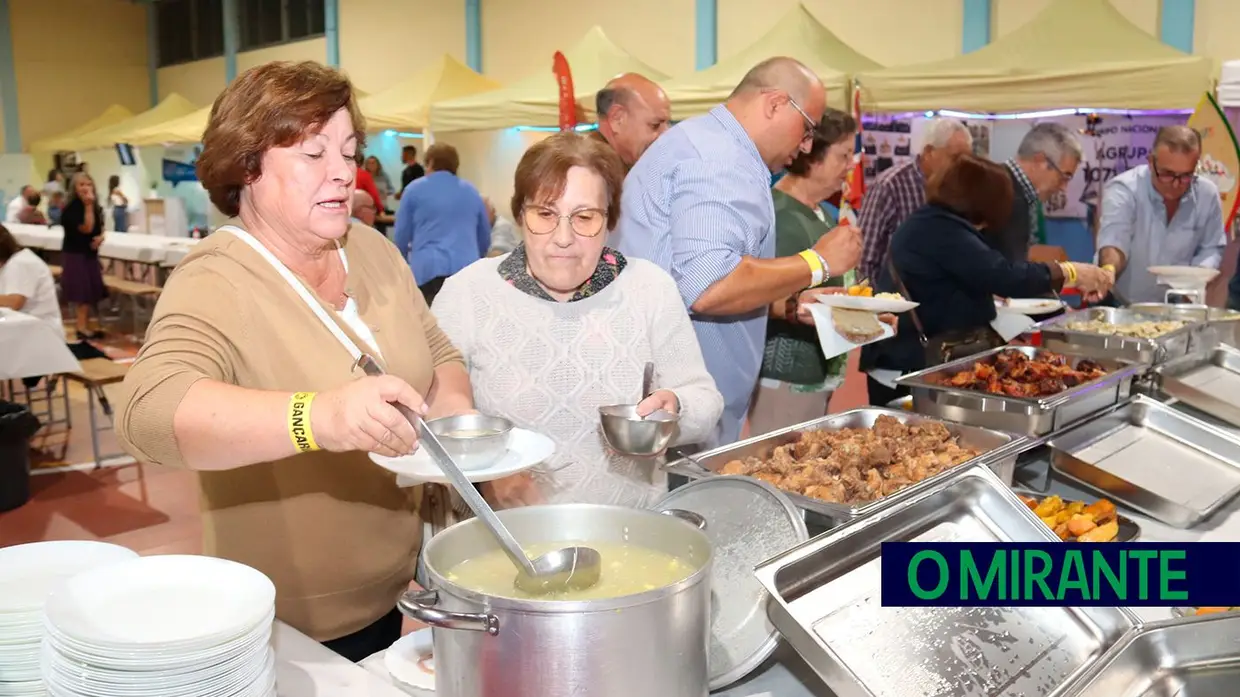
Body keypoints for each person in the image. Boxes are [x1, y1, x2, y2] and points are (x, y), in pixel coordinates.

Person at [114, 60, 476, 663]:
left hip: (404, 588)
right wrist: (320, 418)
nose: (344, 173)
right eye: (314, 154)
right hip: (296, 621)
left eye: (349, 151)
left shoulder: (370, 248)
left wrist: (456, 421)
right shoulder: (217, 277)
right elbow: (148, 413)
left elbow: (436, 352)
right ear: (247, 166)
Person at [432, 132, 722, 508]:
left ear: (610, 220)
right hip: (506, 534)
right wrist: (486, 469)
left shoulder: (649, 288)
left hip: (629, 530)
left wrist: (675, 408)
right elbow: (434, 410)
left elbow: (706, 402)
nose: (564, 237)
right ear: (520, 215)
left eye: (585, 217)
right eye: (545, 214)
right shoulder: (468, 294)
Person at [615, 57, 862, 447]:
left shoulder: (713, 146)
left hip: (679, 401)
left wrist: (785, 303)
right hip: (675, 408)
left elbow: (695, 275)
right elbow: (709, 287)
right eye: (808, 127)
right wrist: (817, 262)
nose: (807, 145)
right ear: (776, 104)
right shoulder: (719, 160)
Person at [861, 154, 1113, 406]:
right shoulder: (943, 229)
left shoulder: (933, 221)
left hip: (912, 360)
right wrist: (1070, 272)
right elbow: (1003, 275)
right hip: (908, 369)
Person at [751, 109, 883, 436]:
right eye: (842, 155)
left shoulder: (823, 212)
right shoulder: (777, 214)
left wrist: (870, 318)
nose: (850, 166)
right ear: (813, 158)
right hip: (786, 373)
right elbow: (758, 293)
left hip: (818, 369)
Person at [1099, 125, 1226, 304]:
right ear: (1151, 162)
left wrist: (1195, 279)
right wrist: (1108, 271)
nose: (1175, 184)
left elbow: (1212, 247)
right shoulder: (1124, 189)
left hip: (1177, 305)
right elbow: (1115, 239)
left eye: (1185, 176)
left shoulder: (1207, 194)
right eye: (1167, 174)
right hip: (1122, 303)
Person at [858, 118, 972, 282]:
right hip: (894, 300)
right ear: (928, 152)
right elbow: (865, 256)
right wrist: (870, 303)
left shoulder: (962, 189)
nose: (962, 166)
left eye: (967, 159)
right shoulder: (890, 185)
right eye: (955, 158)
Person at [393, 143, 490, 304]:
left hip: (427, 271)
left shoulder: (413, 190)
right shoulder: (472, 192)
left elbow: (401, 235)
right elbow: (484, 236)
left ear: (429, 162)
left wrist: (401, 265)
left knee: (431, 325)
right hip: (467, 270)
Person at [994, 122, 1083, 264]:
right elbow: (1008, 274)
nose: (1063, 188)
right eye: (1063, 177)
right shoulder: (1003, 196)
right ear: (1040, 160)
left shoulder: (1001, 184)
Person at [59, 173, 107, 340]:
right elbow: (86, 228)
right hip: (75, 253)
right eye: (81, 185)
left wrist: (101, 238)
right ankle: (81, 327)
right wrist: (87, 205)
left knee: (92, 291)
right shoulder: (70, 209)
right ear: (75, 188)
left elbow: (99, 228)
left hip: (90, 254)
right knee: (82, 292)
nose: (86, 188)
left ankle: (86, 324)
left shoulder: (96, 207)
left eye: (88, 184)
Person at [593, 73, 672, 170]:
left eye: (667, 124)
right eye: (655, 125)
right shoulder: (588, 171)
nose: (666, 134)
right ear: (618, 119)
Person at [0, 224, 62, 336]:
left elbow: (14, 302)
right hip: (22, 327)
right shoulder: (11, 263)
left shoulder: (20, 263)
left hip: (38, 332)